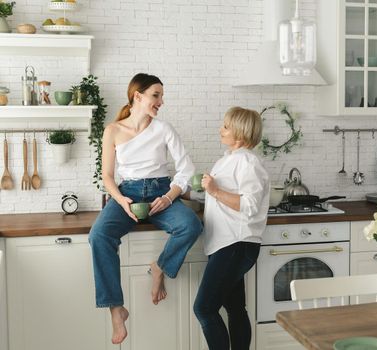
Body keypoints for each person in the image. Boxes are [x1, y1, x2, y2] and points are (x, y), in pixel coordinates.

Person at [88, 73, 202, 345]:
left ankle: (159, 267)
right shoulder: (113, 130)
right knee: (99, 236)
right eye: (156, 95)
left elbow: (187, 168)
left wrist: (170, 195)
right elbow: (106, 176)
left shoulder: (164, 129)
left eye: (161, 96)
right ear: (137, 96)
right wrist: (121, 199)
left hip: (161, 193)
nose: (161, 101)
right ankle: (117, 310)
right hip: (127, 194)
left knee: (191, 225)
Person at [192, 106, 270, 350]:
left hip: (236, 244)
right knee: (235, 308)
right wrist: (186, 193)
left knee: (204, 308)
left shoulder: (249, 163)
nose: (220, 129)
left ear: (240, 134)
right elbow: (218, 199)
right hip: (227, 244)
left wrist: (214, 190)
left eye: (226, 126)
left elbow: (249, 204)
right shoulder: (228, 160)